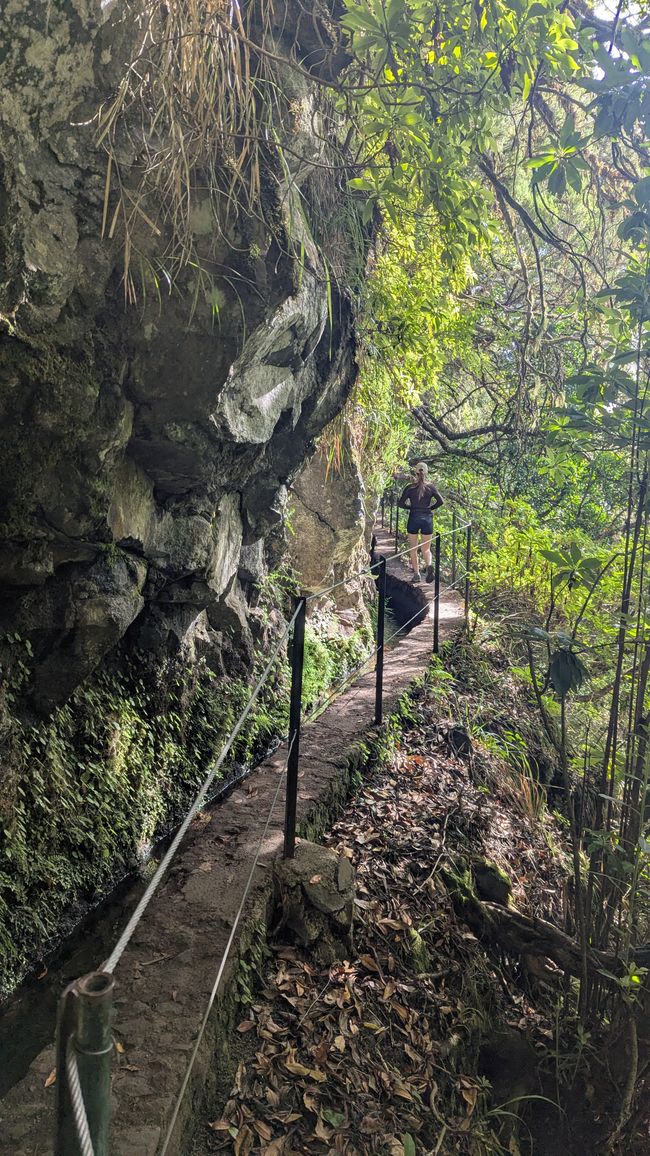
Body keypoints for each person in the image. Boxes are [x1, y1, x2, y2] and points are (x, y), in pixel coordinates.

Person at [397, 463, 443, 584]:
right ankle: (429, 566)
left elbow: (400, 504)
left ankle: (416, 574)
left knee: (413, 548)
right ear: (426, 472)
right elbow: (440, 501)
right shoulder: (431, 487)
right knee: (426, 548)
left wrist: (411, 507)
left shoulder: (409, 488)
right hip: (427, 519)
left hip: (413, 518)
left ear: (416, 473)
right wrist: (430, 508)